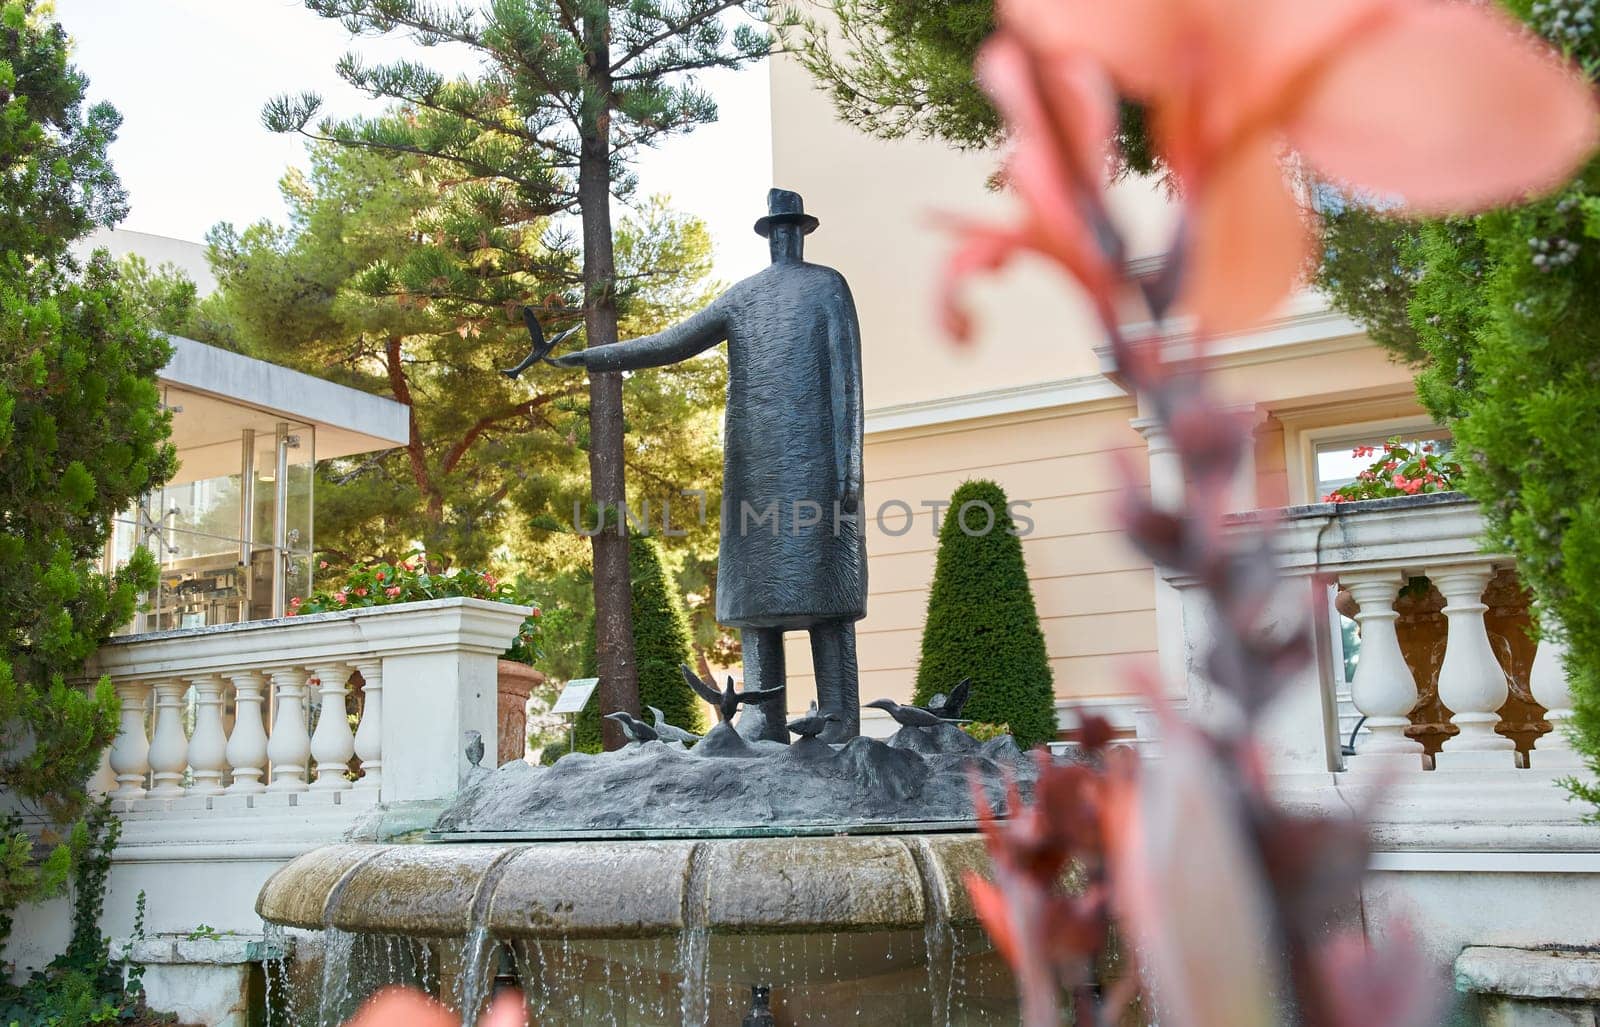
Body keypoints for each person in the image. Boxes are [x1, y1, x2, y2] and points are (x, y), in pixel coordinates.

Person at [552, 189, 865, 741]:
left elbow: (847, 376)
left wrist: (849, 467)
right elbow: (669, 344)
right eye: (780, 233)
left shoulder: (826, 284)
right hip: (755, 460)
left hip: (816, 458)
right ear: (777, 234)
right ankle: (765, 720)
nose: (783, 241)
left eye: (786, 232)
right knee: (758, 598)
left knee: (827, 598)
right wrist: (592, 359)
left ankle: (838, 724)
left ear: (790, 233)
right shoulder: (743, 296)